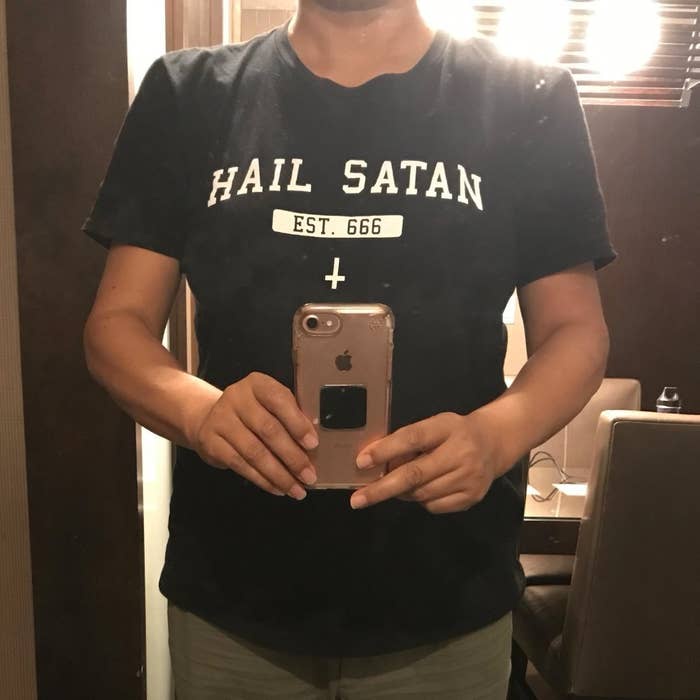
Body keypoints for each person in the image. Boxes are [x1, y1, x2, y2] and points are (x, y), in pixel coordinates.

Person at [82, 1, 616, 698]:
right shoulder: (188, 94)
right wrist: (198, 411)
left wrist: (497, 435)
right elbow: (117, 323)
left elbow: (576, 331)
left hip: (446, 596)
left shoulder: (526, 97)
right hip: (233, 593)